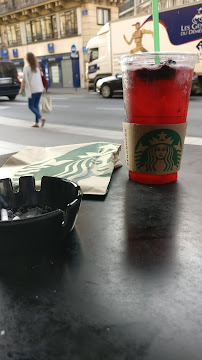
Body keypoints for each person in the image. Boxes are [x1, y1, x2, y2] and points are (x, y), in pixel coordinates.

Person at [19, 52, 46, 128]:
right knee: (36, 105)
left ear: (27, 59)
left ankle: (41, 118)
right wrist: (43, 88)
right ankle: (37, 123)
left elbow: (24, 80)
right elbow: (39, 79)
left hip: (32, 90)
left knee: (31, 106)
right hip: (39, 89)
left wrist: (21, 90)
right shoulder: (37, 68)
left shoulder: (26, 68)